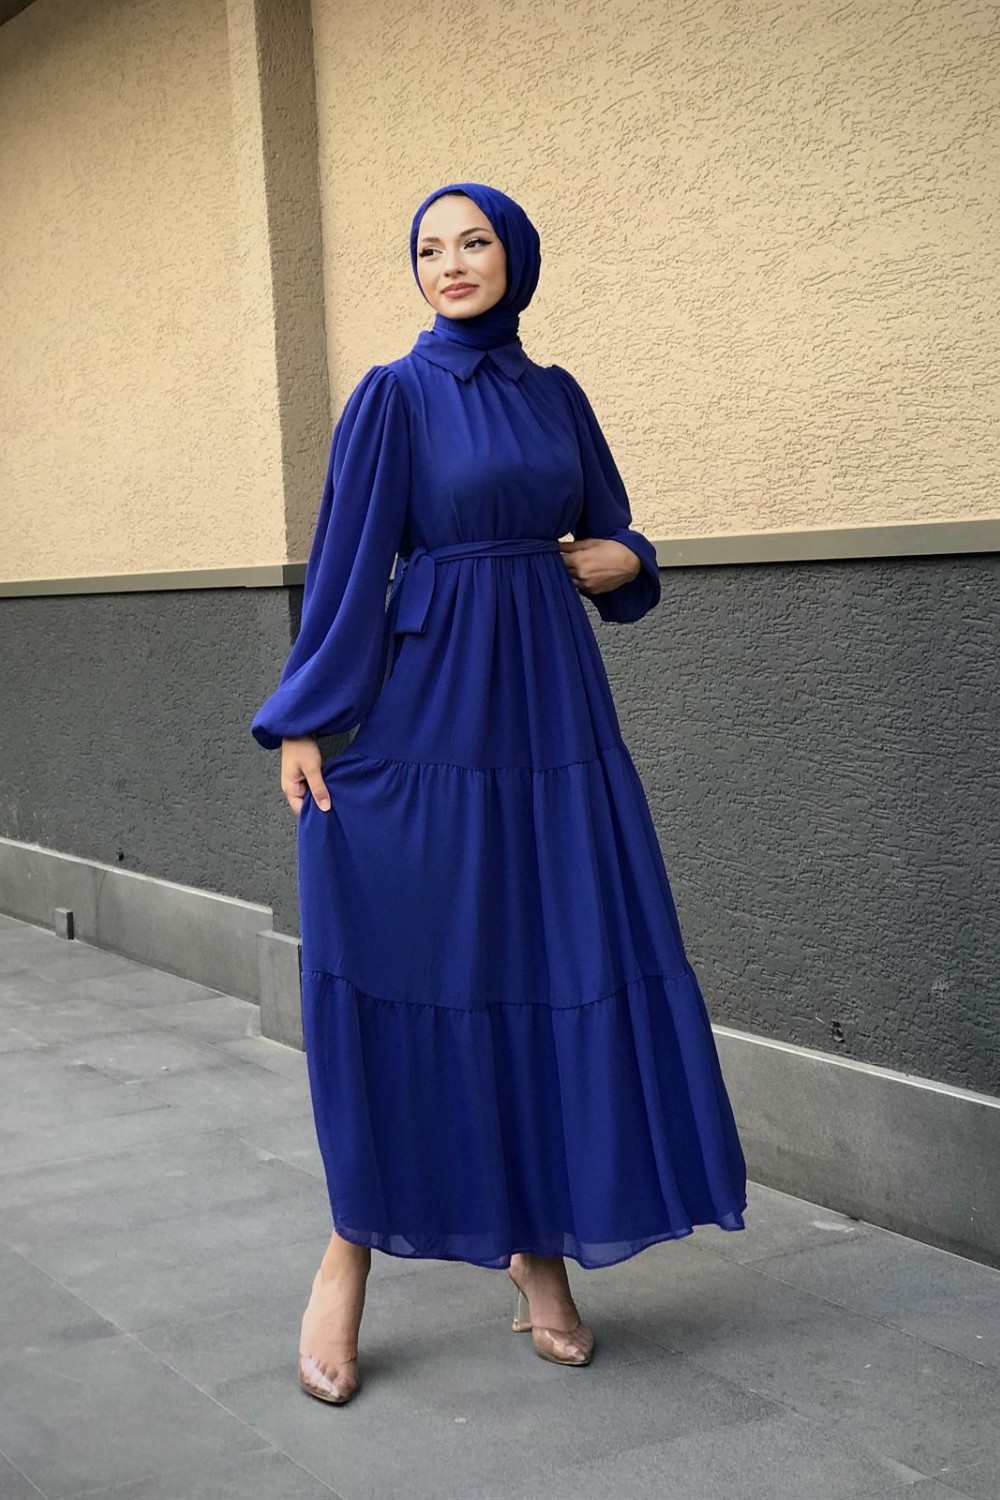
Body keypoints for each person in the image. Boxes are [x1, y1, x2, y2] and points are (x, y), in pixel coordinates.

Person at [250, 180, 748, 1405]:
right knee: (417, 958)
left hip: (553, 709)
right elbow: (350, 561)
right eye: (429, 248)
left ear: (514, 256)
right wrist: (305, 715)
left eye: (473, 242)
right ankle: (348, 1251)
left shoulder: (556, 393)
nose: (451, 263)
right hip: (433, 704)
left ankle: (539, 1255)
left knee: (550, 956)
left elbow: (612, 534)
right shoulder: (393, 395)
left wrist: (631, 556)